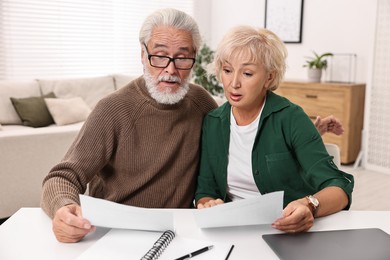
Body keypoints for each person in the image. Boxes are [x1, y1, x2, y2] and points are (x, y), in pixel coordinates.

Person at [40, 8, 218, 243]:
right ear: (143, 55)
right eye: (160, 56)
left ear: (194, 57)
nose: (171, 69)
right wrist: (64, 209)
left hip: (178, 235)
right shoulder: (112, 109)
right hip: (112, 234)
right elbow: (62, 177)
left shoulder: (203, 104)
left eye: (182, 57)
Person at [194, 25, 354, 233]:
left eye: (248, 73)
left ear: (269, 77)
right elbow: (206, 191)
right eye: (227, 70)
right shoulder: (213, 122)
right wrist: (208, 204)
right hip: (232, 229)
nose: (234, 83)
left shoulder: (291, 118)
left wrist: (309, 205)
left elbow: (339, 187)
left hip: (287, 231)